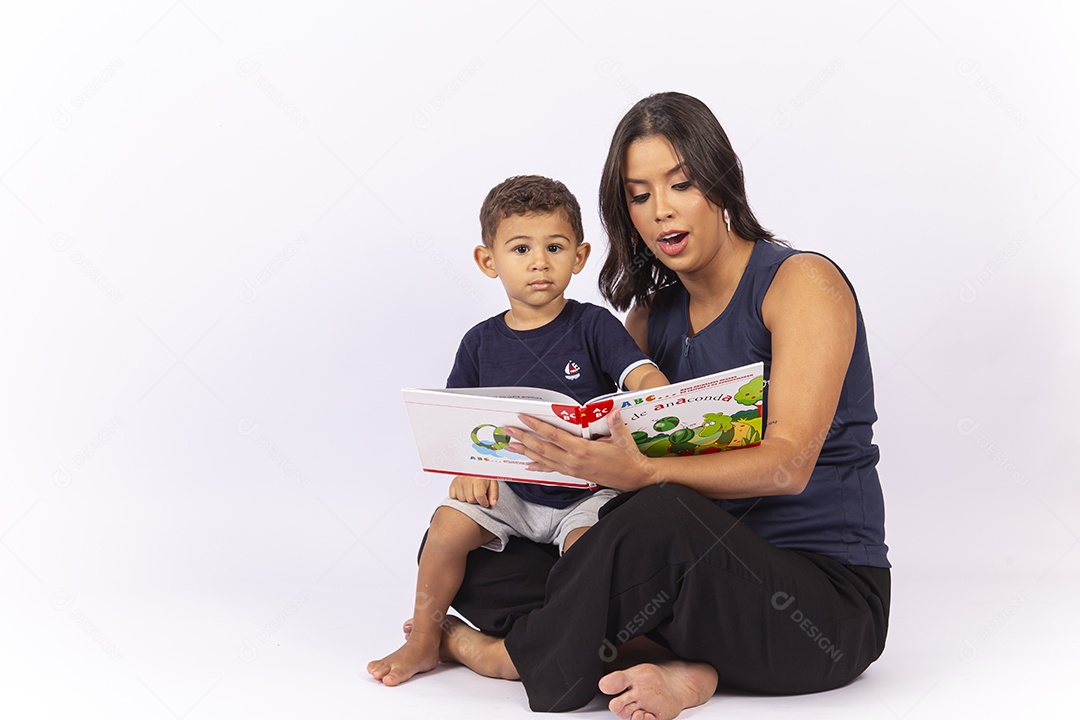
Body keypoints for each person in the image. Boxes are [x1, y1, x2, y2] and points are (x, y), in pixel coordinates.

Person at [434, 92, 891, 719]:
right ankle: (688, 666)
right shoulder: (649, 316)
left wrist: (643, 472)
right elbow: (612, 450)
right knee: (475, 544)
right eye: (639, 195)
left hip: (819, 609)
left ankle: (507, 657)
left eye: (681, 184)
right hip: (688, 584)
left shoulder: (801, 283)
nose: (661, 210)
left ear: (721, 182)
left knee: (660, 512)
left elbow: (789, 466)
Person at [367, 174, 669, 687]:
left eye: (555, 247)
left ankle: (562, 645)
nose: (539, 262)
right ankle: (423, 638)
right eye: (521, 248)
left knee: (589, 555)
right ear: (489, 261)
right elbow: (454, 422)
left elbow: (635, 373)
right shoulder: (480, 343)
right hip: (509, 490)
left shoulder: (593, 325)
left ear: (579, 256)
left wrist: (657, 392)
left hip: (586, 492)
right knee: (445, 526)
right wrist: (464, 469)